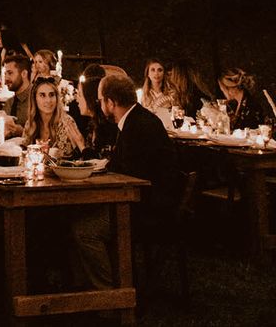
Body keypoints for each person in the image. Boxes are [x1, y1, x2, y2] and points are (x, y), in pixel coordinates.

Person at [71, 74, 180, 289]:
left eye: (101, 100)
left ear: (111, 102)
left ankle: (110, 293)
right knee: (78, 215)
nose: (100, 104)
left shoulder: (137, 127)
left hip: (146, 208)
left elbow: (128, 173)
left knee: (84, 230)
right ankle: (83, 286)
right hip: (152, 201)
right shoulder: (138, 119)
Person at [20, 77, 84, 157]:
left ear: (57, 98)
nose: (48, 100)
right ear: (34, 99)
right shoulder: (30, 123)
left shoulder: (66, 122)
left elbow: (68, 157)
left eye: (51, 95)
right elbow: (24, 154)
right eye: (42, 95)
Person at [71, 64, 118, 158]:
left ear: (89, 98)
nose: (76, 99)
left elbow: (100, 163)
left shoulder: (108, 127)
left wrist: (81, 144)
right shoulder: (92, 124)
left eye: (79, 94)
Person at [4, 54, 32, 133]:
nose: (6, 78)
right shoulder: (9, 103)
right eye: (5, 74)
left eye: (10, 73)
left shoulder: (37, 99)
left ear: (24, 74)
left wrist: (22, 131)